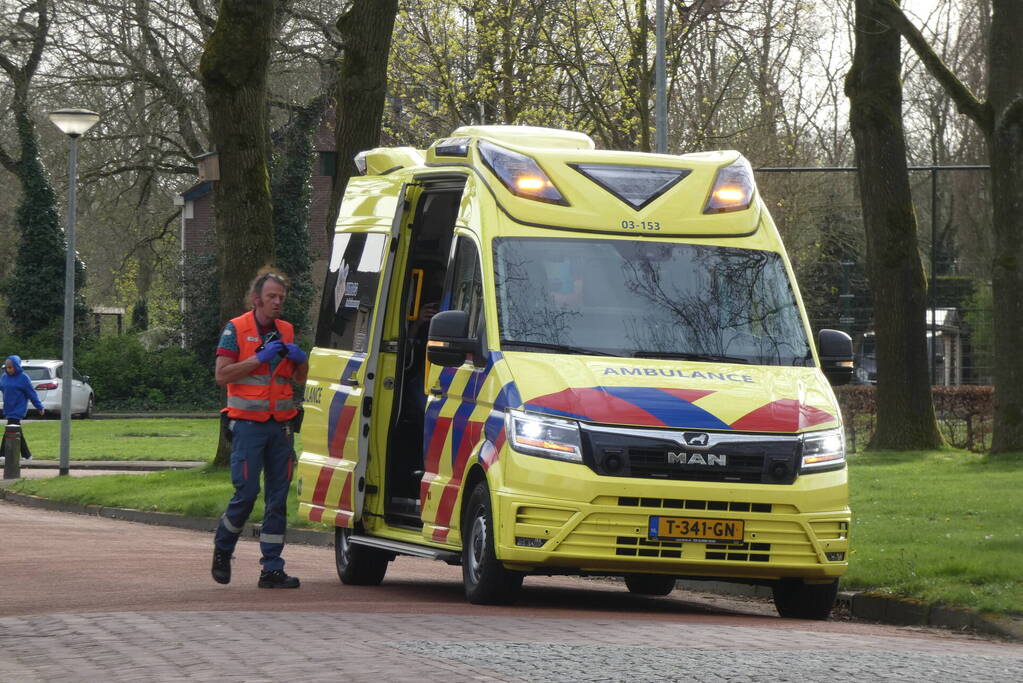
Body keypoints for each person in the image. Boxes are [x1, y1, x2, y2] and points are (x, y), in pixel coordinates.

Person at [211, 268, 309, 589]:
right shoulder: (235, 329)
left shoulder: (287, 330)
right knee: (247, 493)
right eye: (272, 297)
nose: (278, 302)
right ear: (257, 299)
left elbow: (298, 380)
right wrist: (258, 358)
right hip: (248, 427)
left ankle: (272, 569)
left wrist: (302, 360)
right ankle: (223, 548)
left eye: (281, 297)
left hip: (281, 427)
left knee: (278, 498)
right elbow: (222, 375)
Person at [1, 355, 45, 461]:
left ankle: (2, 454)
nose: (8, 369)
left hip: (18, 408)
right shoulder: (4, 377)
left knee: (10, 429)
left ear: (16, 366)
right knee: (16, 431)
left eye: (11, 367)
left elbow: (32, 393)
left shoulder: (23, 378)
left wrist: (39, 406)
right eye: (7, 367)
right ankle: (26, 455)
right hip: (8, 408)